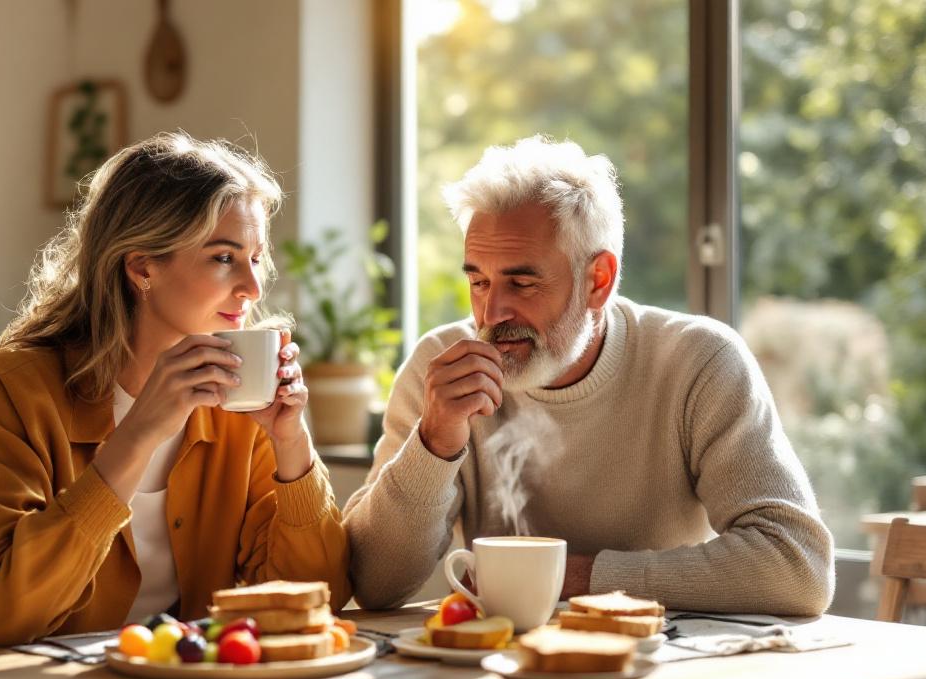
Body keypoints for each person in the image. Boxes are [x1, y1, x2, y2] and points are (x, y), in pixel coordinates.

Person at [344, 135, 833, 616]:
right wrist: (434, 442)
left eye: (522, 281)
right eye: (478, 280)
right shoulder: (441, 370)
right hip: (493, 674)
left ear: (598, 280)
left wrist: (580, 579)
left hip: (658, 669)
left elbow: (798, 565)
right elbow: (374, 584)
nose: (491, 311)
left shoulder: (698, 362)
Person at [0, 132, 350, 653]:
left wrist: (292, 445)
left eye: (256, 257)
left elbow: (319, 602)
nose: (252, 286)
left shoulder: (239, 404)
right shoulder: (19, 385)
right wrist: (137, 436)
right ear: (142, 267)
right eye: (225, 257)